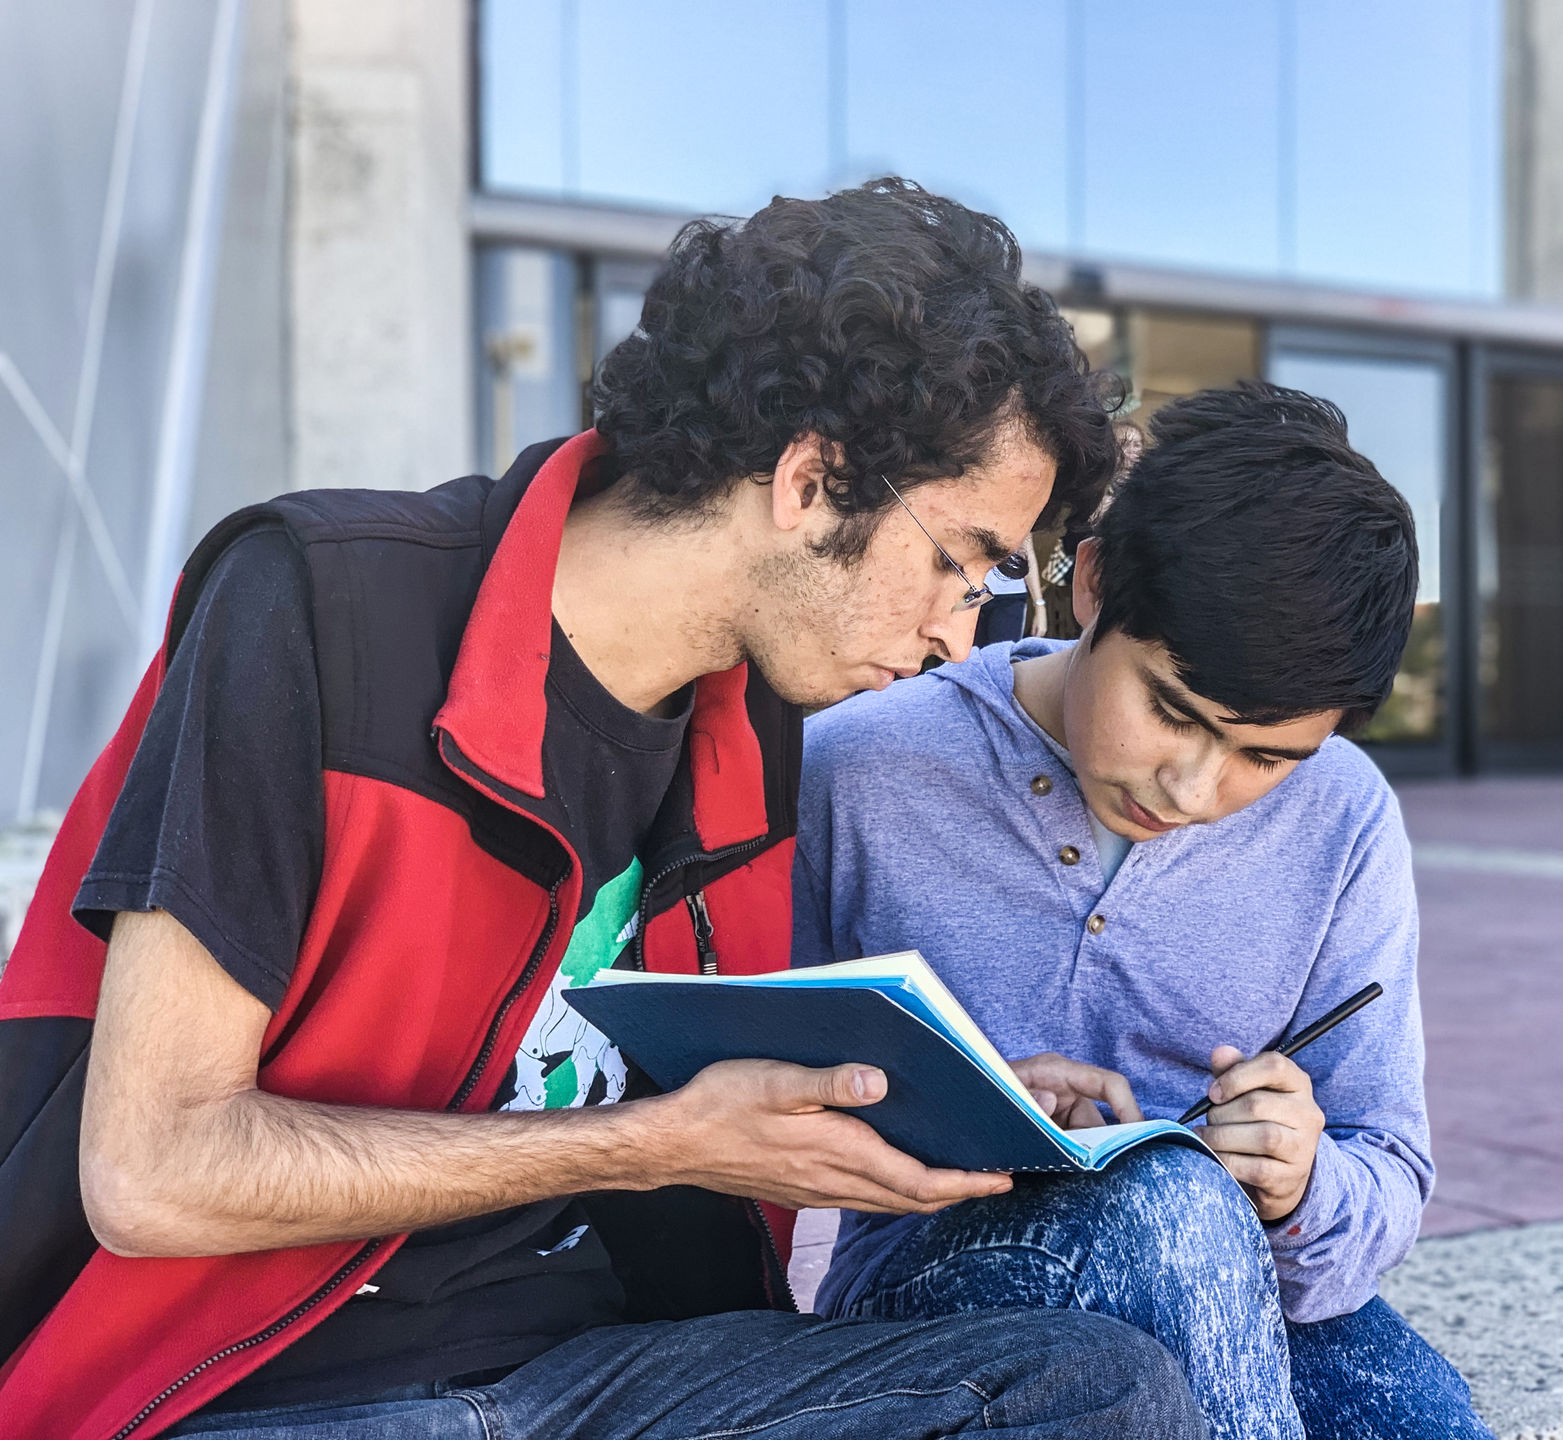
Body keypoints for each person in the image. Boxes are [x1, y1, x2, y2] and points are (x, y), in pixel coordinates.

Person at [0, 180, 1211, 1440]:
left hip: (598, 1375)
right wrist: (654, 1143)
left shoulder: (760, 730)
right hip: (257, 1384)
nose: (960, 632)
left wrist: (933, 1101)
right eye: (962, 560)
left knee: (1090, 1392)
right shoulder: (316, 609)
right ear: (810, 481)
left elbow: (681, 1080)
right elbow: (151, 1171)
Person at [793, 382, 1497, 1440]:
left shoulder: (1342, 816)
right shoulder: (864, 766)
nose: (1193, 788)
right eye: (1171, 711)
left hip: (1238, 1287)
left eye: (1265, 757)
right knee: (1170, 1207)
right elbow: (735, 1088)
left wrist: (1300, 1181)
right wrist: (957, 1106)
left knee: (1420, 1416)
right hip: (936, 1293)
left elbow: (1388, 1164)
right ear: (1094, 584)